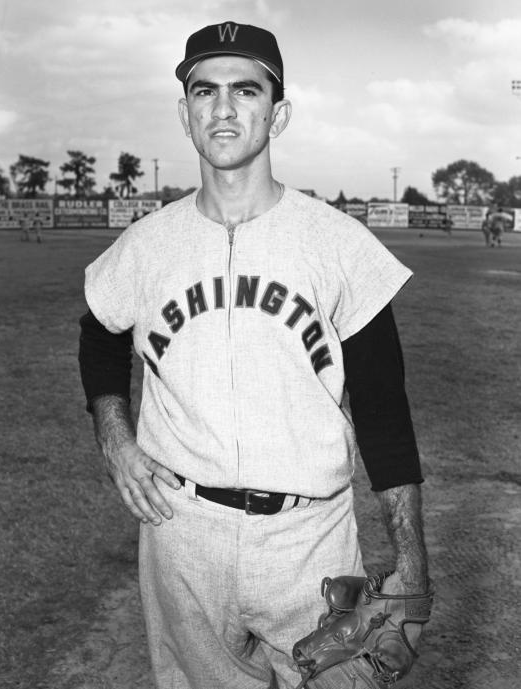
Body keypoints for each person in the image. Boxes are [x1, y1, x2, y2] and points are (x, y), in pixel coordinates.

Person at [78, 21, 430, 689]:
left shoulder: (337, 243)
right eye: (204, 91)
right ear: (185, 113)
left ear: (279, 113)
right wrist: (114, 438)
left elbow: (385, 411)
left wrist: (411, 564)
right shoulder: (148, 243)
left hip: (310, 542)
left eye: (246, 90)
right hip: (181, 532)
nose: (223, 108)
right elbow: (99, 331)